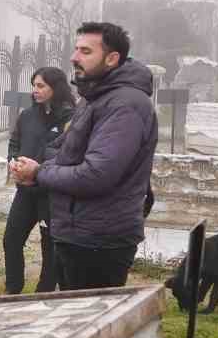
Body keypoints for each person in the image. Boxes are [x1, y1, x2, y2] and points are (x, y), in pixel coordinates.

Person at [10, 22, 159, 291]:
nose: (74, 57)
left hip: (100, 239)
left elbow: (96, 174)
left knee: (93, 325)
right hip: (77, 232)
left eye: (86, 51)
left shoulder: (124, 105)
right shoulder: (94, 98)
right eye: (76, 49)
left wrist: (39, 173)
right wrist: (36, 168)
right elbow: (66, 152)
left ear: (112, 58)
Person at [2, 66, 72, 296]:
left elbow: (68, 155)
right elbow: (14, 143)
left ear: (56, 87)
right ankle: (13, 288)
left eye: (41, 86)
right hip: (25, 192)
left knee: (49, 247)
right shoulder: (27, 116)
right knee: (11, 239)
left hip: (51, 194)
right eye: (34, 85)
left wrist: (39, 173)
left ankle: (44, 291)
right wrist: (13, 161)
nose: (35, 90)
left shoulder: (70, 118)